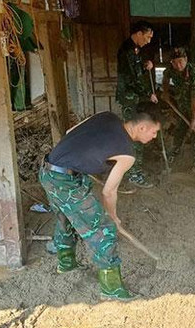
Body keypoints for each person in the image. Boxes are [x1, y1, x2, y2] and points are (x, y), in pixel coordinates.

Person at [39, 103, 161, 300]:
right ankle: (111, 289)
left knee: (66, 218)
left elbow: (71, 132)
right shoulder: (127, 154)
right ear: (142, 127)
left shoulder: (107, 116)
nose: (154, 137)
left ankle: (66, 264)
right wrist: (112, 217)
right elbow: (109, 192)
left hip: (48, 171)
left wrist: (81, 160)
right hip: (65, 181)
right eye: (154, 132)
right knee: (104, 230)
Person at [116, 21, 158, 188]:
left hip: (133, 98)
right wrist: (148, 94)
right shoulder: (127, 50)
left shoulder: (134, 49)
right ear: (139, 33)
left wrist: (144, 65)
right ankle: (133, 174)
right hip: (129, 98)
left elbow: (135, 70)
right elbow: (132, 79)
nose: (148, 41)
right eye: (147, 37)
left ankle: (134, 170)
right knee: (135, 134)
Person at [162, 47, 195, 172]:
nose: (178, 65)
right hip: (184, 103)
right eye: (175, 62)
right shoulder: (171, 69)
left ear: (186, 59)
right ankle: (174, 154)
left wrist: (194, 120)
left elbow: (194, 99)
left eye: (180, 61)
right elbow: (165, 78)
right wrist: (166, 92)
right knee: (180, 130)